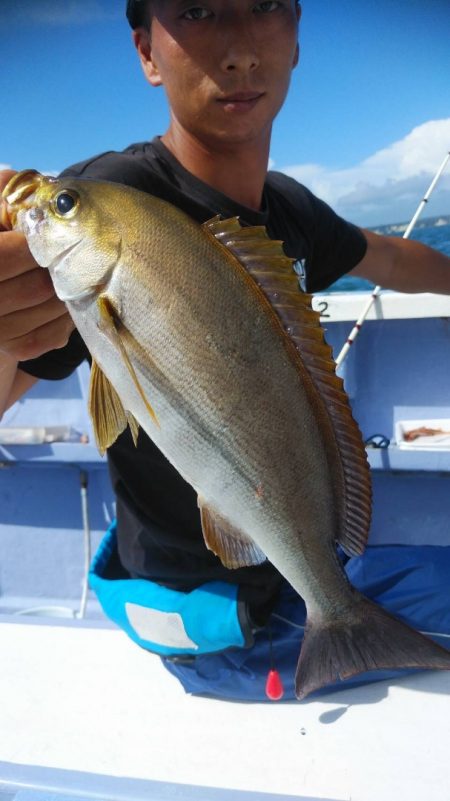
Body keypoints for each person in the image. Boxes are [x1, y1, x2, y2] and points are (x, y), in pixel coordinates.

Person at [1, 0, 449, 701]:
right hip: (213, 617)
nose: (239, 49)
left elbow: (390, 257)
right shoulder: (115, 194)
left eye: (266, 6)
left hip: (302, 563)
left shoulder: (288, 209)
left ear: (298, 33)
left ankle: (337, 613)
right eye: (200, 11)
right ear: (147, 50)